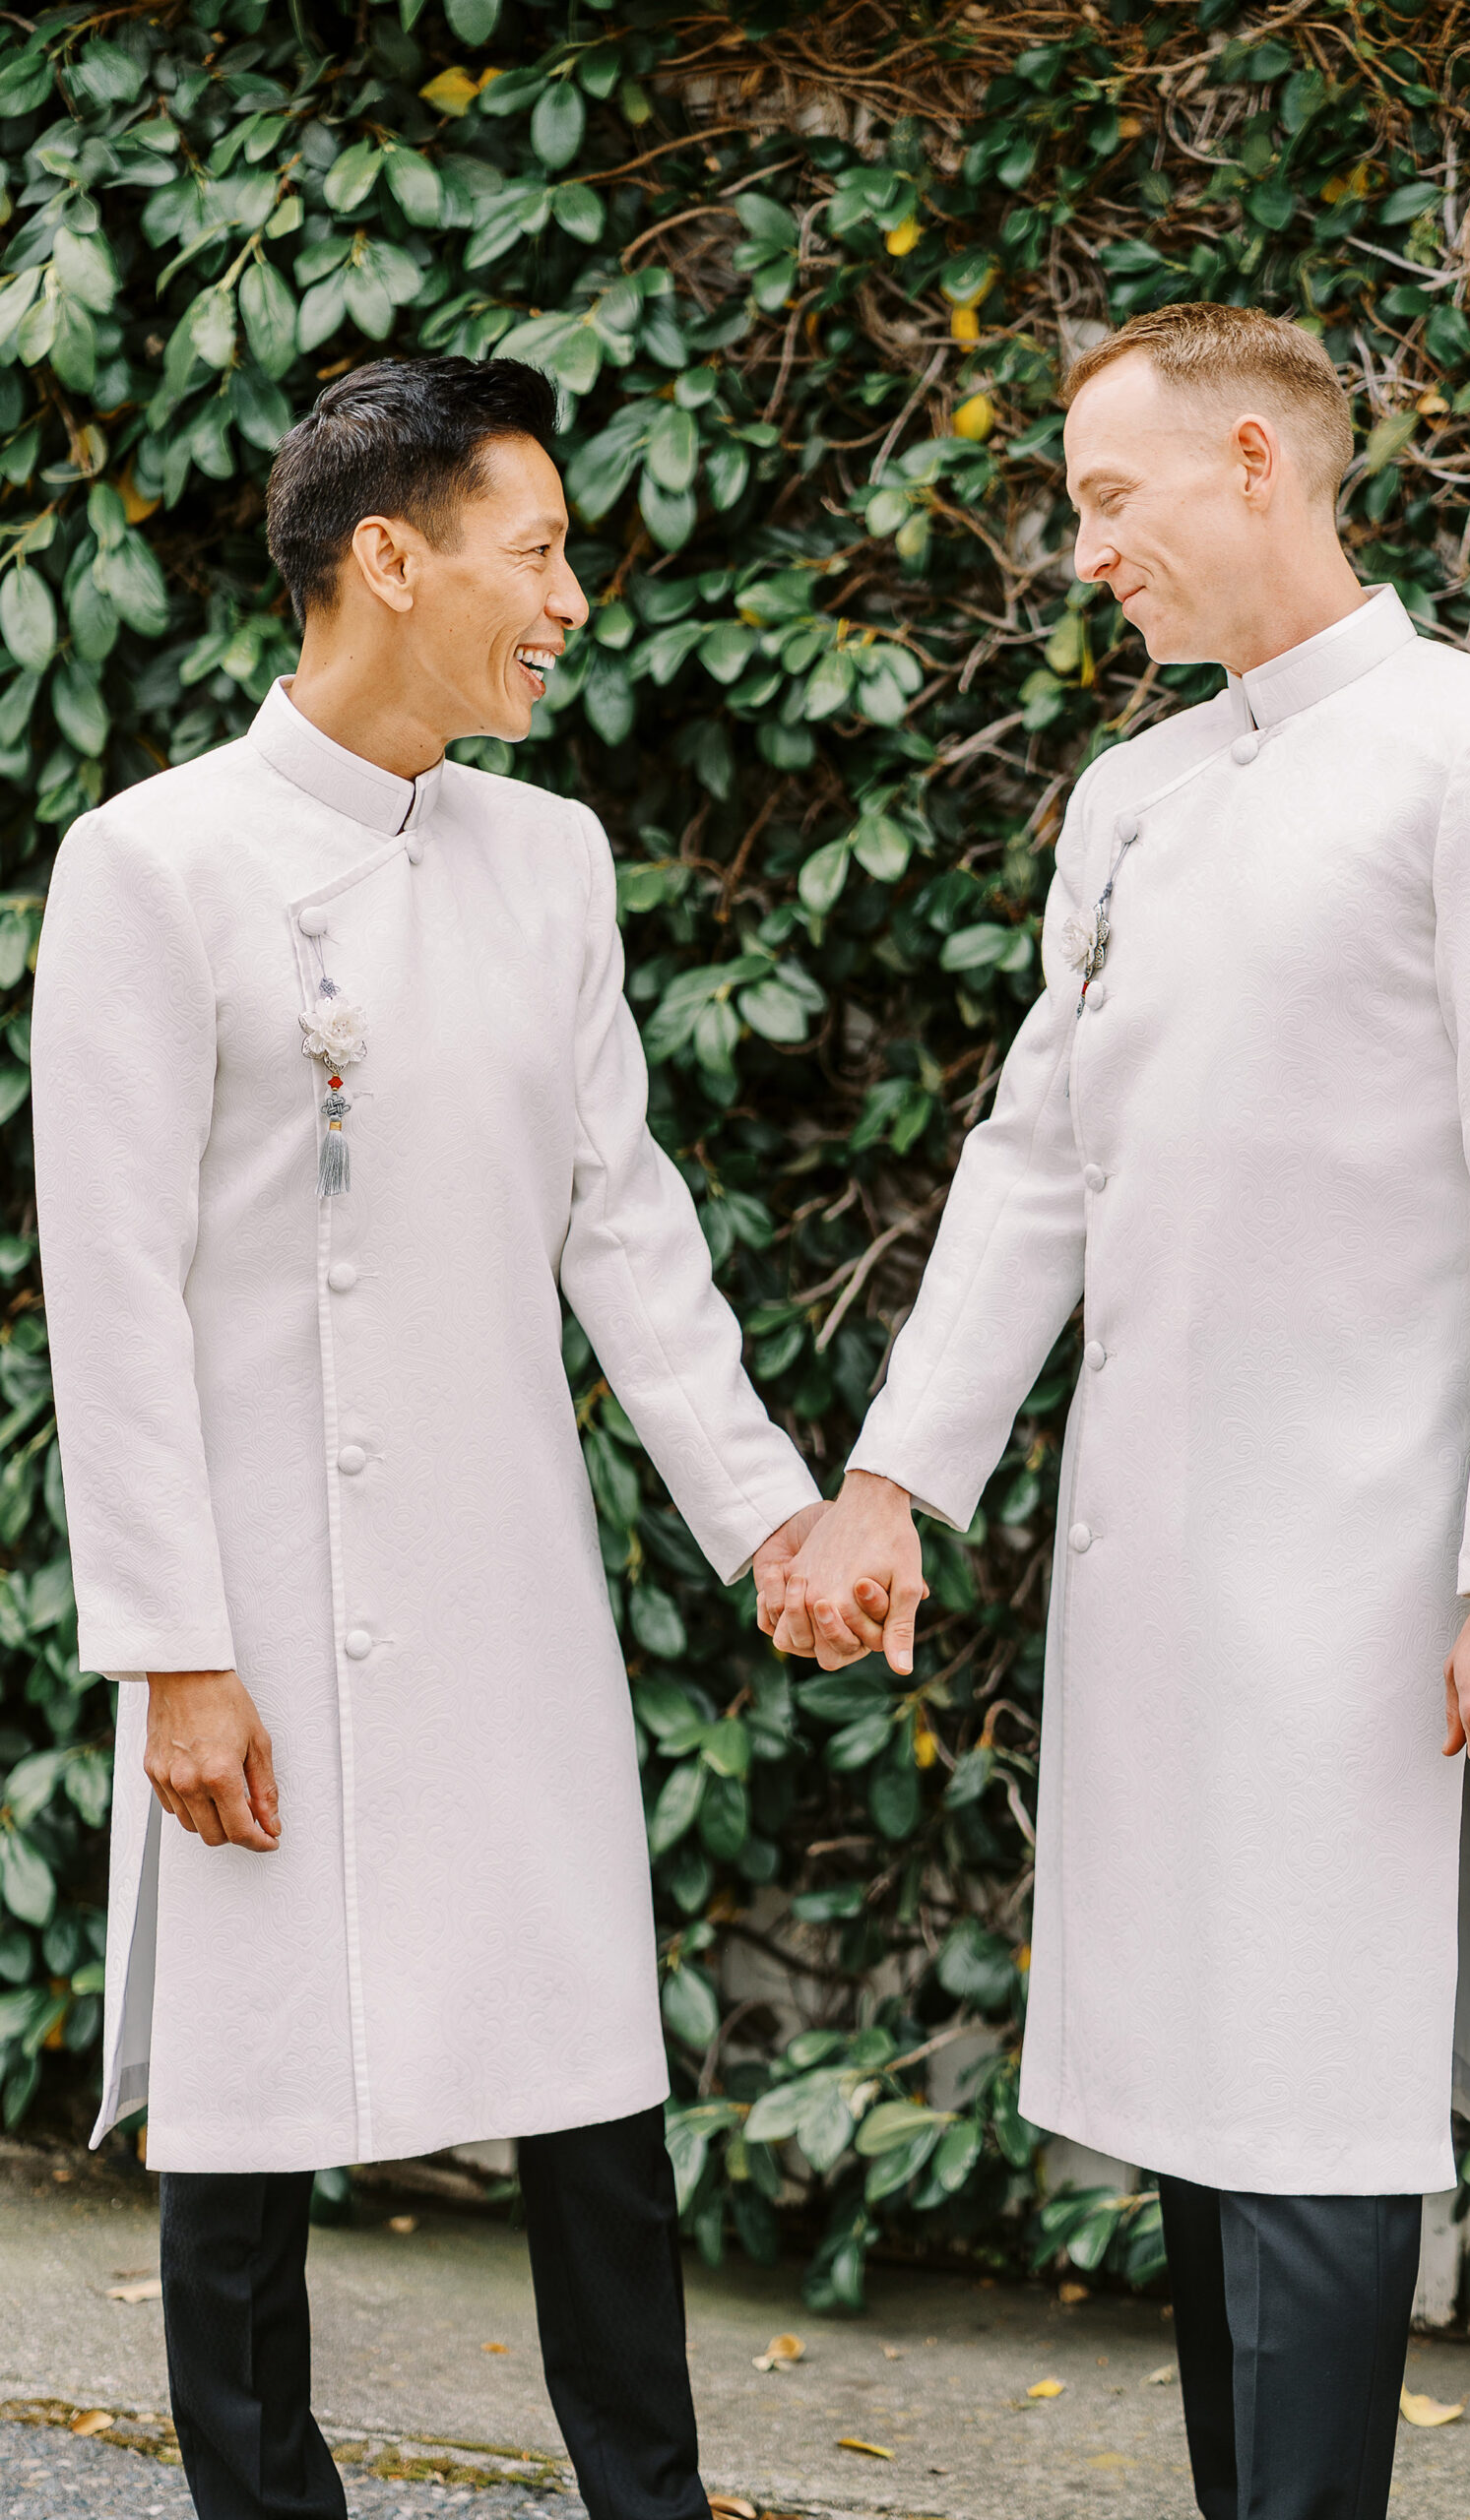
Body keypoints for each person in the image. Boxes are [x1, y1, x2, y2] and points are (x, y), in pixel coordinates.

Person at [760, 302, 1470, 2520]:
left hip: (1367, 1559)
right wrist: (891, 1481)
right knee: (1193, 2095)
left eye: (1107, 497)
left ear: (1254, 461)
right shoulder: (1128, 794)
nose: (1087, 552)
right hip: (1147, 1551)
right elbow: (1031, 1160)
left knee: (1315, 2096)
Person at [32, 355, 825, 2520]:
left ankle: (646, 2504)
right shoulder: (153, 860)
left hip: (499, 1567)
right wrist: (171, 1645)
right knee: (243, 2119)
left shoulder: (548, 856)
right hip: (259, 1584)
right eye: (542, 546)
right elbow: (102, 1288)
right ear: (392, 554)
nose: (574, 597)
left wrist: (769, 1512)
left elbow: (622, 1219)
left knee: (589, 2094)